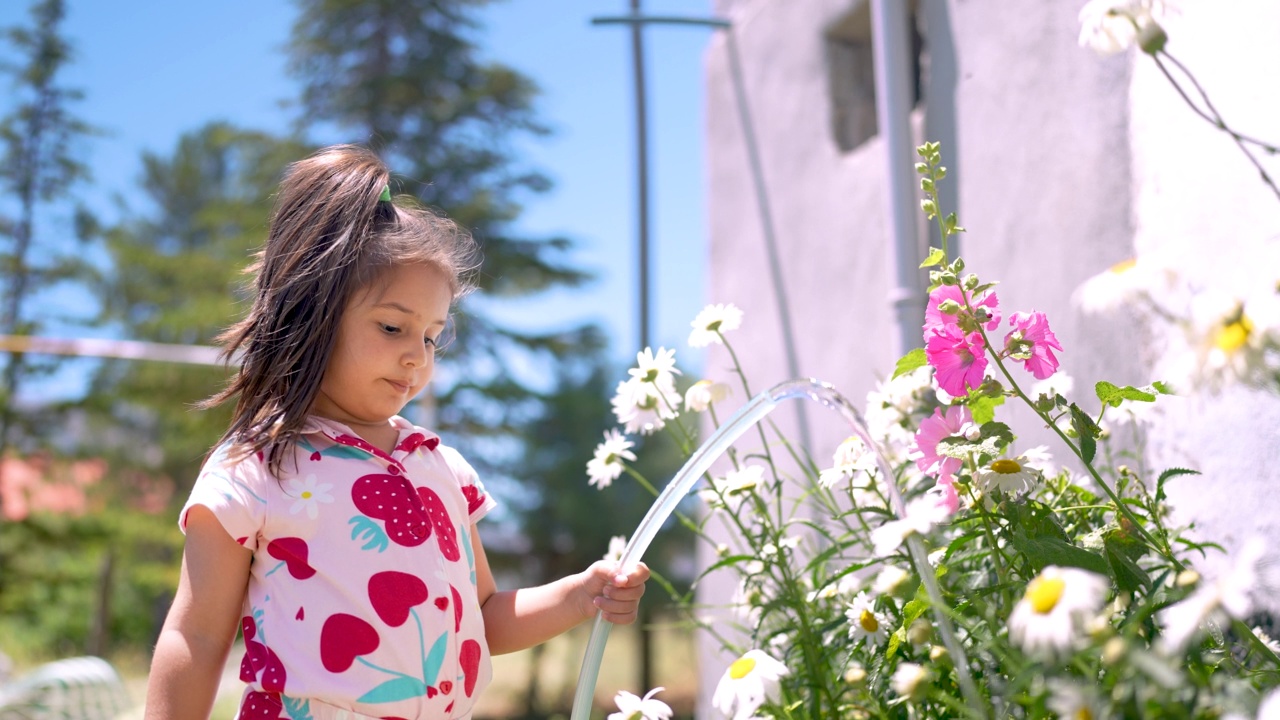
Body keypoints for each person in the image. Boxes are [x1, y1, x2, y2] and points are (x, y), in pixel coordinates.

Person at [143, 145, 649, 720]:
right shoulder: (257, 468)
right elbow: (197, 637)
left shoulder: (440, 467)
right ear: (314, 313)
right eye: (392, 327)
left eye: (431, 337)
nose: (417, 357)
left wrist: (577, 596)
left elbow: (482, 616)